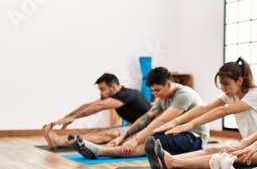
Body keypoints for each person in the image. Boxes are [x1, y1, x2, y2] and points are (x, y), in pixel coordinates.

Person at [146, 57, 257, 169]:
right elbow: (205, 107)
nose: (223, 88)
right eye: (221, 84)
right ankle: (165, 159)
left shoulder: (256, 94)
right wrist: (176, 121)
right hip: (249, 142)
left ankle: (174, 163)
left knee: (221, 157)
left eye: (226, 84)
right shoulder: (231, 94)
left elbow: (224, 111)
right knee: (214, 149)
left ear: (240, 81)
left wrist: (189, 125)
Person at [72, 67, 209, 159]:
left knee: (150, 141)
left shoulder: (184, 94)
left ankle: (100, 151)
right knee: (137, 137)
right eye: (153, 91)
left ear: (168, 84)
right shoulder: (163, 96)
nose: (155, 95)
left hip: (194, 139)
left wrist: (135, 140)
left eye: (157, 90)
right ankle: (101, 148)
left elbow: (161, 121)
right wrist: (124, 136)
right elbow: (146, 117)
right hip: (176, 132)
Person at [42, 73, 151, 149]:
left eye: (102, 89)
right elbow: (90, 105)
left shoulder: (126, 94)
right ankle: (59, 141)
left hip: (148, 127)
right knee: (99, 130)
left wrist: (73, 117)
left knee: (108, 134)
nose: (100, 93)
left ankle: (60, 141)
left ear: (113, 88)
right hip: (134, 125)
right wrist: (67, 117)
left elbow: (100, 106)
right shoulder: (118, 95)